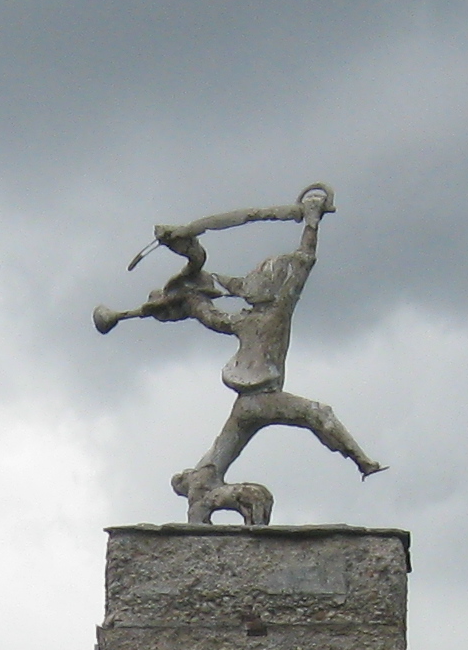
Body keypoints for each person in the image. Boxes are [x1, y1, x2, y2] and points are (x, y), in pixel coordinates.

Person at [93, 184, 383, 524]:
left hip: (249, 403)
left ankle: (202, 483)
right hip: (259, 398)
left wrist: (311, 223)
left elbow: (303, 261)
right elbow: (213, 311)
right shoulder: (254, 317)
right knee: (318, 413)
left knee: (226, 450)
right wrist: (187, 301)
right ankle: (361, 461)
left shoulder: (268, 311)